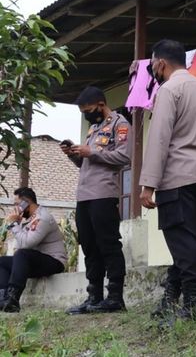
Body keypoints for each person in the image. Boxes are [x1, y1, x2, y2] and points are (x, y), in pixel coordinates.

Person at [139, 39, 196, 325]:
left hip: (176, 178)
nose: (153, 71)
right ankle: (170, 298)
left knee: (182, 241)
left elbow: (159, 138)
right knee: (189, 241)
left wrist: (149, 183)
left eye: (153, 65)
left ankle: (194, 304)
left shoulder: (169, 90)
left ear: (160, 63)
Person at [62, 86, 131, 314]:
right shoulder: (93, 129)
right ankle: (94, 296)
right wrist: (75, 155)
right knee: (89, 246)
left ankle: (115, 297)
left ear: (101, 105)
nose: (87, 115)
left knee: (108, 244)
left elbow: (124, 156)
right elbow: (87, 163)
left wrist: (92, 153)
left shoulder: (119, 124)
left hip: (103, 194)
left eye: (89, 110)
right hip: (84, 196)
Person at [0, 187, 67, 312]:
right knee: (2, 261)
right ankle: (2, 298)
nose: (14, 208)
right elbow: (20, 247)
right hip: (35, 260)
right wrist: (18, 224)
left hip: (54, 261)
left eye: (16, 204)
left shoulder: (42, 218)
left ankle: (13, 298)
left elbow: (26, 244)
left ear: (26, 202)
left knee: (22, 254)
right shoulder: (30, 219)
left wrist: (14, 225)